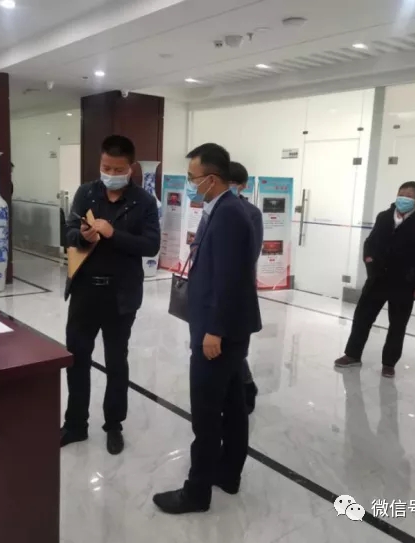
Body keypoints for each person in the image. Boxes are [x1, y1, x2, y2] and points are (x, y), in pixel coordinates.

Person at [153, 144, 262, 514]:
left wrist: (213, 330)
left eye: (192, 178)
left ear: (211, 179)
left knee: (206, 413)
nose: (189, 183)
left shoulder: (229, 214)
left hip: (219, 331)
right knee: (232, 405)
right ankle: (228, 474)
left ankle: (196, 492)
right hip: (226, 326)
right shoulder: (223, 208)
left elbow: (231, 279)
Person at [61, 135, 160, 455]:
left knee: (117, 361)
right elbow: (69, 232)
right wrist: (83, 236)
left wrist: (113, 233)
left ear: (130, 168)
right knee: (77, 358)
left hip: (121, 295)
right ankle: (75, 424)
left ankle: (113, 424)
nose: (111, 173)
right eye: (106, 167)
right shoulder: (86, 193)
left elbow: (151, 245)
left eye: (118, 169)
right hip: (85, 292)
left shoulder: (144, 202)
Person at [335, 181, 415, 378]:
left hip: (405, 282)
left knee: (398, 324)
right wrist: (369, 261)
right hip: (378, 278)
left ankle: (389, 363)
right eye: (401, 194)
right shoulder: (384, 216)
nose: (403, 198)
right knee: (362, 317)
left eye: (408, 195)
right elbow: (370, 243)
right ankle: (352, 354)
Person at [191, 161, 263, 413]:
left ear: (241, 186)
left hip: (230, 295)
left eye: (233, 184)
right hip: (207, 296)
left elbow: (247, 257)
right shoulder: (211, 208)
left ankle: (246, 387)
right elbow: (199, 242)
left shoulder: (246, 213)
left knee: (230, 355)